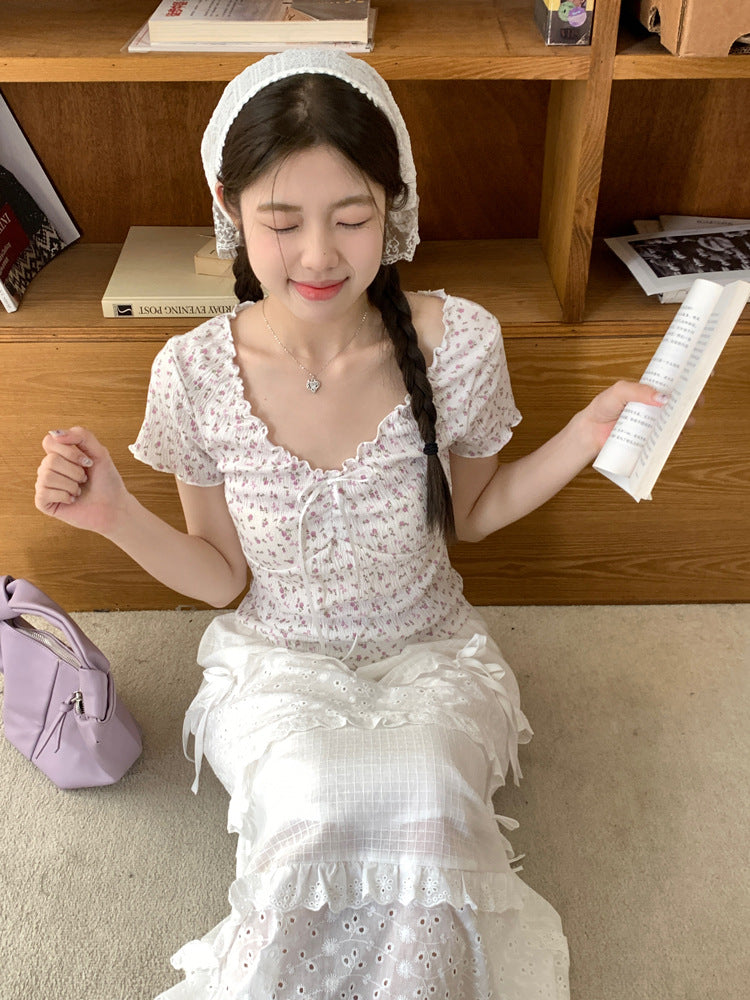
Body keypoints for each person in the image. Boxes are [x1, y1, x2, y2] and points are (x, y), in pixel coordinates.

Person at [34, 50, 668, 1000]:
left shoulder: (461, 342)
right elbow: (222, 577)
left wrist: (586, 434)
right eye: (282, 221)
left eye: (353, 217)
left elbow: (476, 515)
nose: (319, 256)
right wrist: (114, 514)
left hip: (430, 651)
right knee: (318, 800)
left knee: (422, 797)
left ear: (393, 208)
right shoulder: (194, 372)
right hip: (279, 659)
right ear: (229, 208)